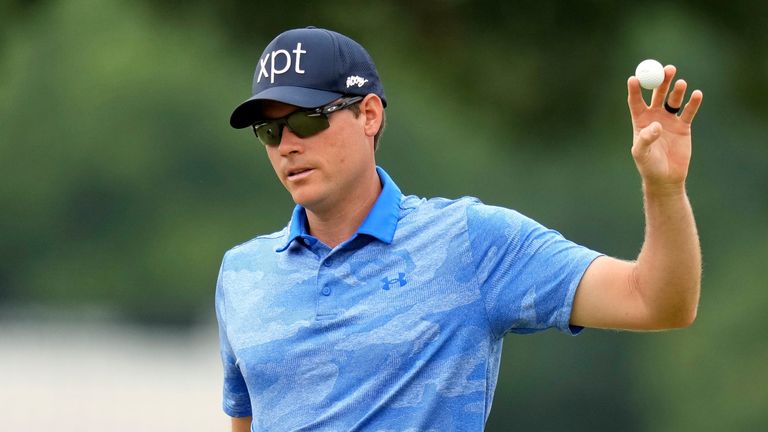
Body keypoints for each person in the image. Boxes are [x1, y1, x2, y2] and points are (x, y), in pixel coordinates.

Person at [216, 26, 703, 431]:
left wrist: (664, 189)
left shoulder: (470, 242)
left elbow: (656, 300)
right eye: (270, 131)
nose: (286, 146)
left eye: (305, 121)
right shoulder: (242, 273)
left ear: (368, 114)